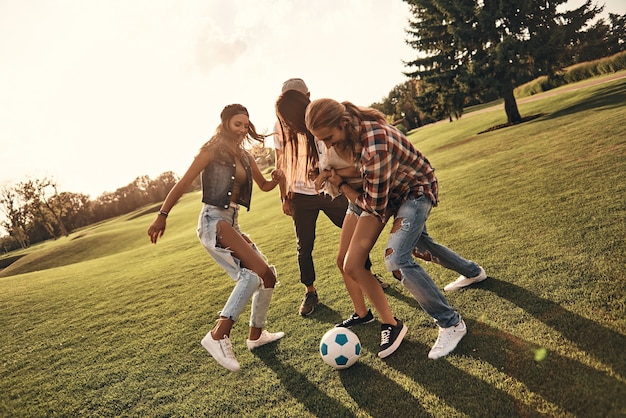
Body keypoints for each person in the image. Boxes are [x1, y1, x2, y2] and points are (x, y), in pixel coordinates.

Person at [305, 98, 487, 359]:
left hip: (415, 192)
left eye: (329, 137)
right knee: (421, 246)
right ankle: (473, 272)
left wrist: (340, 184)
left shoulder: (374, 144)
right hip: (393, 194)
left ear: (343, 123)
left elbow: (372, 205)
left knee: (396, 259)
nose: (328, 144)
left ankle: (451, 323)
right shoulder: (352, 133)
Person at [147, 104, 285, 372]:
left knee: (267, 276)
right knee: (252, 275)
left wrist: (276, 178)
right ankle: (218, 335)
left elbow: (264, 185)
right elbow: (184, 182)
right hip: (214, 221)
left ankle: (256, 336)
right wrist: (162, 214)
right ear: (225, 123)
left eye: (246, 125)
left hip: (232, 222)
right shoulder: (210, 152)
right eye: (237, 124)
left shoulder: (245, 157)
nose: (243, 129)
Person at [273, 78, 387, 318]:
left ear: (306, 96)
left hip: (331, 190)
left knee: (356, 236)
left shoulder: (321, 118)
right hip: (301, 195)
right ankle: (310, 291)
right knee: (304, 246)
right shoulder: (281, 127)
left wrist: (329, 176)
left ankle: (364, 273)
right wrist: (284, 195)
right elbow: (280, 161)